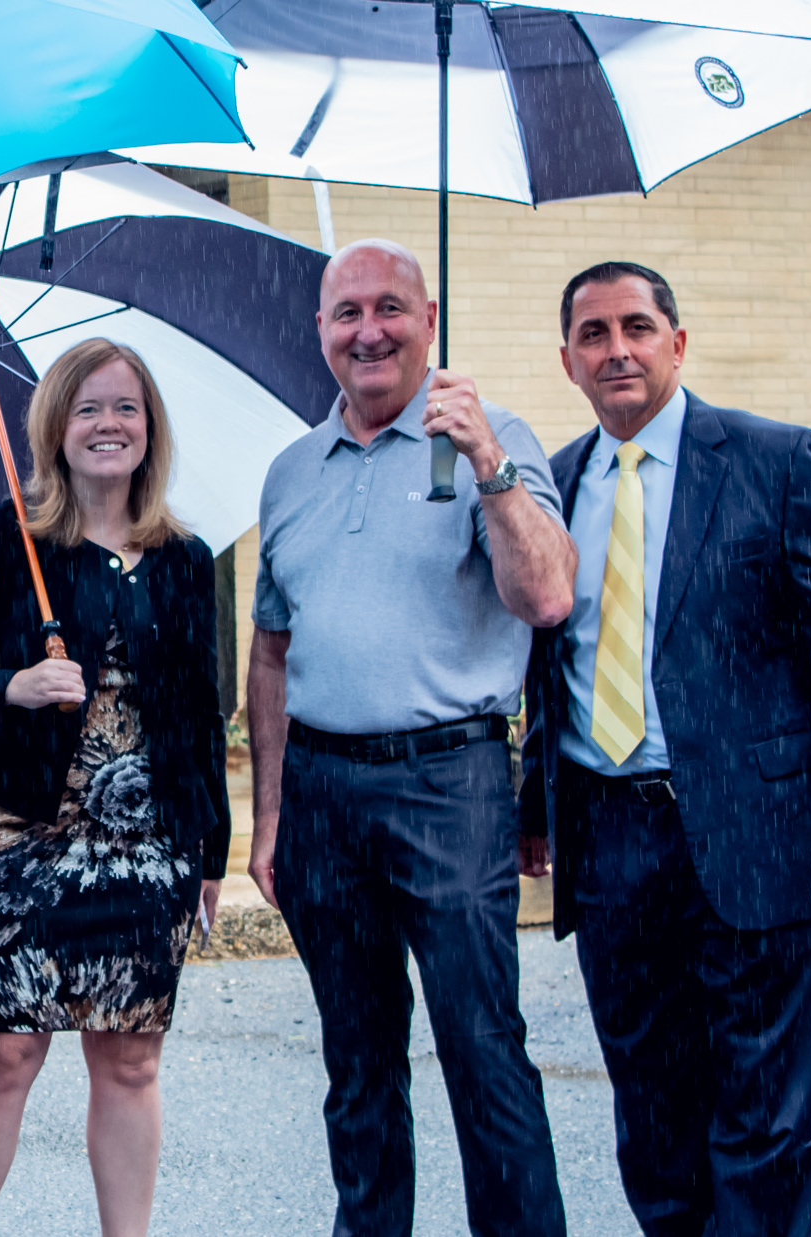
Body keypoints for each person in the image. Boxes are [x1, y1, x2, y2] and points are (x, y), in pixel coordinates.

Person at [520, 262, 811, 1237]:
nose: (616, 348)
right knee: (650, 1109)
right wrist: (531, 804)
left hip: (755, 829)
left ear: (675, 342)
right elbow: (549, 668)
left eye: (637, 327)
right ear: (567, 360)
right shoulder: (555, 484)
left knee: (763, 1109)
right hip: (608, 838)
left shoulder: (771, 460)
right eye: (592, 333)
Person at [245, 239, 576, 1237]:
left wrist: (486, 461)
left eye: (389, 307)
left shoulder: (489, 438)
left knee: (480, 1045)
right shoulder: (290, 470)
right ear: (319, 332)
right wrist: (266, 815)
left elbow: (547, 594)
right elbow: (268, 653)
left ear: (427, 321)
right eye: (345, 312)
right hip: (320, 793)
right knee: (357, 1059)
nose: (367, 329)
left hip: (449, 781)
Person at [0, 338, 230, 1237]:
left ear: (150, 427)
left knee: (131, 1059)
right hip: (27, 839)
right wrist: (9, 686)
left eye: (126, 407)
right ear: (56, 427)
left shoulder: (183, 557)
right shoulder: (8, 537)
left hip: (151, 846)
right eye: (88, 407)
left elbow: (203, 714)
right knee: (2, 1054)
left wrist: (210, 851)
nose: (108, 424)